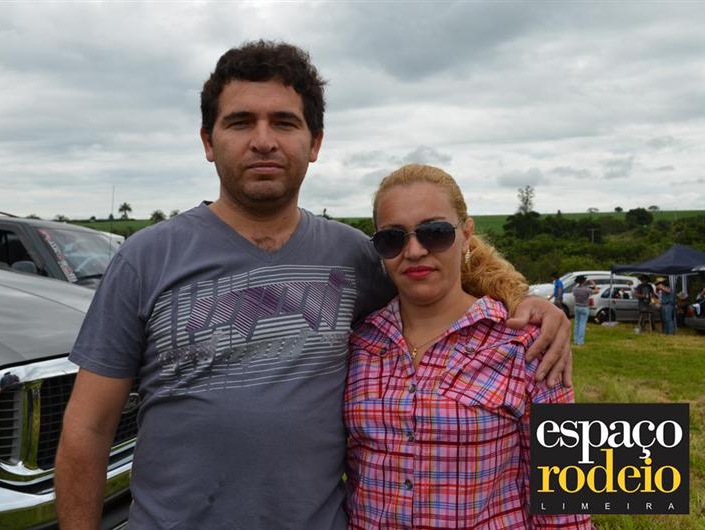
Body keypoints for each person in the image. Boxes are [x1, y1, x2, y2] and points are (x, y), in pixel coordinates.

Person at [54, 41, 573, 529]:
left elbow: (435, 280)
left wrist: (529, 301)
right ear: (208, 142)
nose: (263, 140)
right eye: (240, 122)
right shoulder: (145, 257)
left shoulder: (354, 255)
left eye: (284, 122)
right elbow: (87, 428)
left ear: (315, 142)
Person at [344, 164, 591, 529]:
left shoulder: (526, 343)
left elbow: (567, 505)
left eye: (435, 233)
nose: (414, 251)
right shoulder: (358, 343)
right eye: (393, 238)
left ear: (466, 234)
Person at [571, 275, 598, 345]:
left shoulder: (574, 289)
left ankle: (575, 340)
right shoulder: (587, 289)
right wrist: (593, 283)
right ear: (583, 281)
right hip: (584, 307)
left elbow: (575, 291)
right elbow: (597, 291)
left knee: (576, 323)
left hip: (577, 306)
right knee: (582, 324)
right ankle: (580, 341)